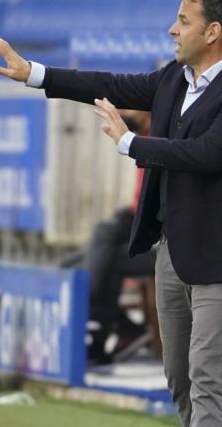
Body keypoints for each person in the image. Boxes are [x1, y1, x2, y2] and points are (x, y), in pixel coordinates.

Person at [0, 0, 222, 426]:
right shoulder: (174, 79)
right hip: (173, 253)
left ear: (213, 32)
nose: (172, 29)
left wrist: (130, 142)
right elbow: (110, 84)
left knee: (208, 376)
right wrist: (36, 73)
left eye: (183, 20)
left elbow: (207, 153)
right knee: (179, 378)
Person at [61, 110, 156, 365]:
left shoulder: (161, 143)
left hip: (162, 246)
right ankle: (115, 330)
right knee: (70, 264)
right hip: (138, 231)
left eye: (129, 109)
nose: (123, 115)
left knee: (104, 253)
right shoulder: (143, 140)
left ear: (148, 112)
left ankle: (98, 323)